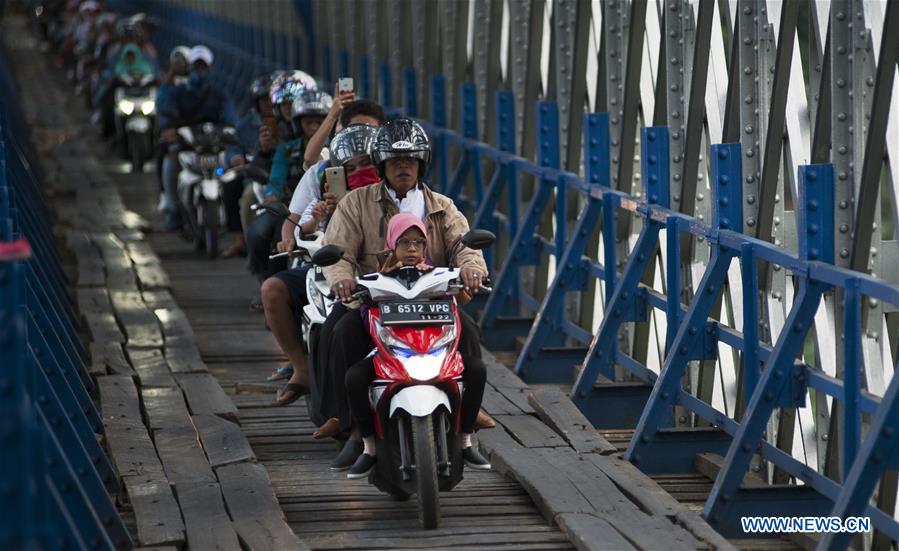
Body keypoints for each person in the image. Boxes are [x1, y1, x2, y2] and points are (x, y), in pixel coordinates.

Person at [317, 118, 490, 470]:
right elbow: (339, 251)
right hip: (374, 301)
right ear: (381, 165)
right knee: (341, 333)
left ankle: (466, 422)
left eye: (410, 160)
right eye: (395, 161)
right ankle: (354, 429)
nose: (403, 167)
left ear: (422, 164)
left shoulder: (442, 206)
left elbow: (464, 245)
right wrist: (343, 279)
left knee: (470, 336)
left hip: (432, 301)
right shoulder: (355, 203)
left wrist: (472, 269)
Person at [344, 214, 491, 478]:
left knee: (477, 370)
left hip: (435, 349)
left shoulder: (439, 276)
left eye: (418, 242)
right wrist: (349, 286)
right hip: (391, 352)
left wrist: (469, 277)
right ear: (392, 244)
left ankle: (466, 441)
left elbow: (460, 298)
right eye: (404, 242)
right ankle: (368, 447)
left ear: (425, 247)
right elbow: (365, 312)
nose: (412, 248)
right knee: (354, 377)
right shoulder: (376, 279)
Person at [265, 123, 382, 410]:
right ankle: (305, 372)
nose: (360, 173)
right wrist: (326, 214)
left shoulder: (399, 195)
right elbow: (301, 229)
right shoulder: (322, 188)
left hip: (387, 277)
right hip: (338, 275)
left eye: (367, 163)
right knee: (331, 327)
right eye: (350, 168)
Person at [244, 89, 331, 303]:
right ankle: (268, 283)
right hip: (287, 207)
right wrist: (271, 195)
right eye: (308, 122)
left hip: (321, 208)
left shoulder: (335, 153)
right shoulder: (286, 150)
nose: (313, 127)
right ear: (298, 123)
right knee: (261, 233)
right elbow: (276, 178)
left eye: (319, 122)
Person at [157, 45, 241, 230]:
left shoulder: (219, 93)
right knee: (171, 161)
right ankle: (174, 210)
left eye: (203, 66)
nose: (199, 70)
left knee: (233, 171)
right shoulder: (178, 92)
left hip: (214, 144)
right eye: (196, 66)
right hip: (188, 143)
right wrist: (169, 128)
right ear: (190, 68)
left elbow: (231, 117)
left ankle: (234, 221)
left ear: (210, 68)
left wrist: (230, 131)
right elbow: (166, 109)